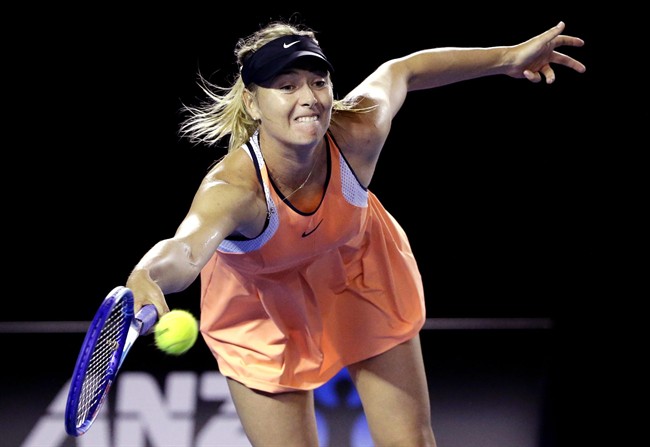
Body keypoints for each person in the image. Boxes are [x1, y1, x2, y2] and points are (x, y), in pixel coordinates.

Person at [126, 19, 585, 446]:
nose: (308, 97)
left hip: (358, 274)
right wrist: (148, 275)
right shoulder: (234, 190)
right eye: (286, 87)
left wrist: (509, 58)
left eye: (318, 82)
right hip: (261, 309)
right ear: (252, 102)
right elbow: (186, 250)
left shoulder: (358, 130)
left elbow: (403, 70)